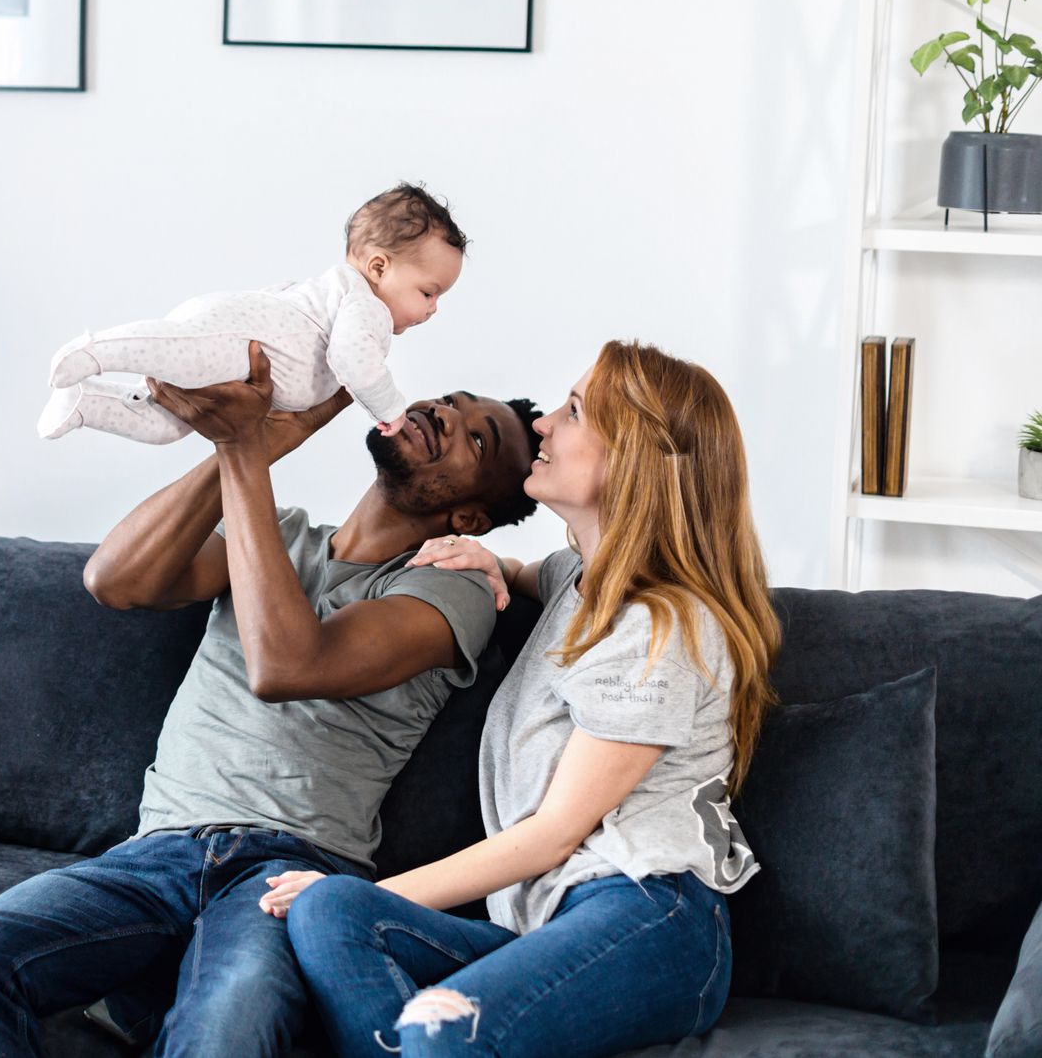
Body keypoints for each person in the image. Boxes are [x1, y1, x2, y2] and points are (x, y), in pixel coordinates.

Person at [0, 343, 543, 1057]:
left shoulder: (452, 590)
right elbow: (114, 579)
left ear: (470, 519)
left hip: (287, 873)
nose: (445, 416)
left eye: (475, 438)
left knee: (226, 1031)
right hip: (155, 856)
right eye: (449, 402)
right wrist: (260, 441)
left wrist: (244, 448)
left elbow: (288, 662)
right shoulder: (278, 533)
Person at [260, 340, 782, 1058]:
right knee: (329, 912)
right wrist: (491, 560)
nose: (543, 426)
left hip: (651, 917)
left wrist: (393, 888)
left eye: (573, 413)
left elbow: (554, 834)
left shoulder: (659, 625)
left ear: (632, 459)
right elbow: (536, 571)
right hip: (544, 924)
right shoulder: (582, 577)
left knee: (439, 1030)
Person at [37, 182, 464, 445]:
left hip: (237, 355)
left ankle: (84, 403)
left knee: (168, 427)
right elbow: (353, 358)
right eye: (429, 292)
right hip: (235, 341)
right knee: (172, 353)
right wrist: (390, 409)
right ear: (378, 267)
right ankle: (94, 351)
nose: (434, 308)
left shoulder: (330, 295)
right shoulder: (365, 306)